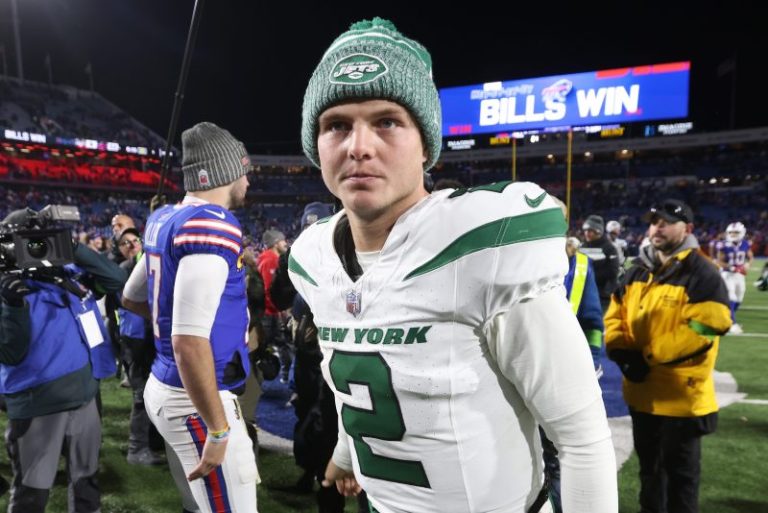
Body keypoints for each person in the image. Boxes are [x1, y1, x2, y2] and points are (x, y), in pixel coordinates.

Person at [289, 17, 617, 513]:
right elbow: (356, 383)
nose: (358, 146)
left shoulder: (481, 247)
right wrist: (345, 454)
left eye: (387, 121)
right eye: (337, 125)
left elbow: (583, 440)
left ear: (426, 144)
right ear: (316, 144)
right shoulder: (314, 257)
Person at [122, 122, 259, 513]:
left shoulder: (164, 218)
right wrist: (217, 428)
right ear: (225, 171)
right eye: (244, 171)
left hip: (168, 386)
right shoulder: (210, 223)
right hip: (193, 398)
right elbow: (187, 342)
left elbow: (131, 297)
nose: (248, 181)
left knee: (199, 506)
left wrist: (174, 325)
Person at [605, 199, 732, 513]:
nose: (657, 228)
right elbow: (615, 316)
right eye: (653, 222)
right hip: (642, 396)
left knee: (681, 483)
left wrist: (647, 356)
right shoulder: (636, 270)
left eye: (666, 222)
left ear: (687, 229)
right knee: (650, 476)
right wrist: (621, 351)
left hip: (682, 400)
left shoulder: (702, 271)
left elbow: (705, 328)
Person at [0, 208, 125, 513]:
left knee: (87, 486)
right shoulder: (7, 285)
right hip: (39, 403)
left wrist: (71, 246)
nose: (36, 247)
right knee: (32, 494)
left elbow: (115, 278)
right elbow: (10, 352)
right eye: (28, 241)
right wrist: (13, 306)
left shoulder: (66, 272)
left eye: (41, 239)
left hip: (85, 396)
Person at [116, 227, 165, 465]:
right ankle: (136, 448)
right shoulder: (125, 269)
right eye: (125, 243)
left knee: (153, 391)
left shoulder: (147, 262)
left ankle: (153, 442)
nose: (132, 245)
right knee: (141, 394)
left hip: (147, 337)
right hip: (135, 339)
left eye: (135, 240)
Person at [258, 228, 291, 382]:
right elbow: (268, 291)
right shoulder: (270, 260)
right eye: (282, 240)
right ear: (275, 243)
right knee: (274, 345)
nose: (285, 243)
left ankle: (279, 374)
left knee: (278, 345)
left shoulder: (272, 258)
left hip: (270, 312)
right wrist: (280, 309)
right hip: (269, 313)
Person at [716, 222, 753, 334]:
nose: (733, 234)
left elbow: (750, 257)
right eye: (731, 232)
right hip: (727, 274)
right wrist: (732, 268)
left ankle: (727, 317)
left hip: (739, 275)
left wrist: (747, 265)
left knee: (739, 298)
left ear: (742, 233)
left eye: (736, 232)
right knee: (731, 296)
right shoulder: (723, 245)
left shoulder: (745, 243)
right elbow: (719, 261)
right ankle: (732, 324)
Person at [580, 214, 620, 311]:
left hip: (603, 296)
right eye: (585, 230)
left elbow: (613, 271)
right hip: (584, 294)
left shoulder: (610, 248)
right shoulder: (582, 247)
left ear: (598, 231)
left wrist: (590, 276)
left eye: (590, 230)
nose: (586, 233)